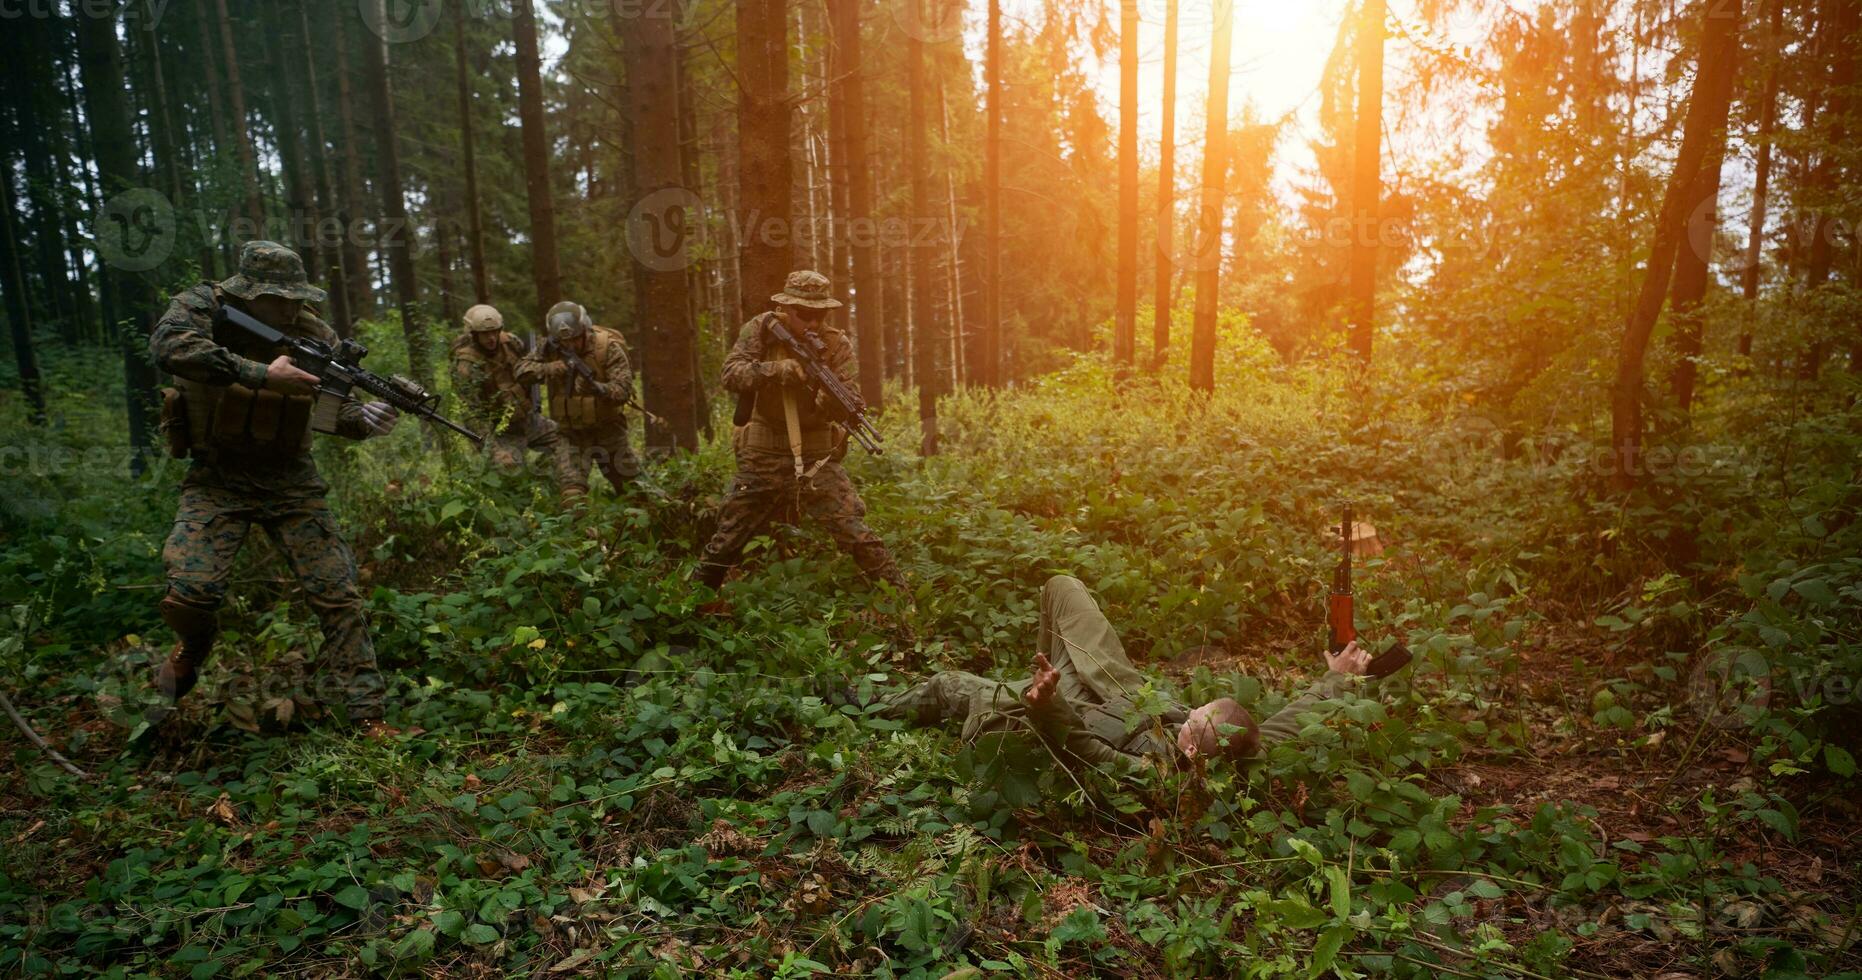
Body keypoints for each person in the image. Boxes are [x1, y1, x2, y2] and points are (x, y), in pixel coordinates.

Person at [149, 241, 401, 735]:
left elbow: (335, 413)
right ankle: (195, 645)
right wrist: (262, 373)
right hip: (217, 477)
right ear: (249, 293)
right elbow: (168, 347)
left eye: (296, 298)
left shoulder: (314, 333)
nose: (290, 308)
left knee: (338, 593)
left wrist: (366, 418)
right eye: (278, 299)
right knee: (191, 593)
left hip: (291, 478)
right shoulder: (203, 305)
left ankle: (368, 717)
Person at [883, 575, 1389, 775]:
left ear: (1196, 752)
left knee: (948, 686)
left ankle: (865, 702)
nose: (1188, 719)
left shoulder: (1158, 777)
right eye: (1196, 712)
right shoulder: (1246, 743)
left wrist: (1046, 703)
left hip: (1060, 716)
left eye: (1192, 726)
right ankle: (1044, 671)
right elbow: (1289, 723)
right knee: (1063, 587)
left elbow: (1087, 749)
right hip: (1117, 687)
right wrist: (1341, 680)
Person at [694, 270, 905, 598]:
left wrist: (831, 403)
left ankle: (904, 605)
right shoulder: (761, 331)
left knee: (856, 532)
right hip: (763, 454)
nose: (813, 323)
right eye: (804, 314)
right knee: (728, 539)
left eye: (820, 314)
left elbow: (850, 395)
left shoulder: (836, 344)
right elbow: (731, 373)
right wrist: (774, 371)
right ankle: (688, 607)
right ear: (785, 309)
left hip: (816, 458)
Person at [514, 300, 640, 504]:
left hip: (609, 431)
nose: (569, 346)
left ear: (584, 331)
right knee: (572, 498)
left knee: (634, 494)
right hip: (570, 434)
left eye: (574, 339)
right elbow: (521, 371)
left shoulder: (607, 347)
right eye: (564, 342)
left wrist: (600, 389)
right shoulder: (549, 348)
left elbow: (623, 390)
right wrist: (552, 368)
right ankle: (584, 534)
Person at [449, 303, 557, 472]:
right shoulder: (466, 366)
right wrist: (495, 451)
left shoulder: (512, 343)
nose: (491, 338)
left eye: (494, 331)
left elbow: (528, 369)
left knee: (568, 443)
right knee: (510, 475)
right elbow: (472, 416)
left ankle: (540, 478)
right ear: (474, 334)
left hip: (527, 419)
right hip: (498, 433)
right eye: (485, 334)